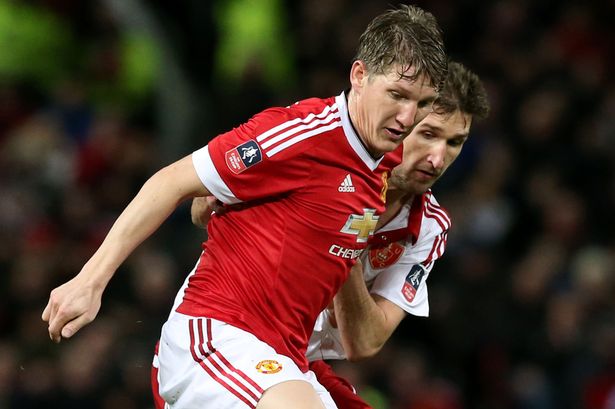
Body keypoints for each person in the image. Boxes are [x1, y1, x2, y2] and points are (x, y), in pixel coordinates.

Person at [42, 4, 447, 409]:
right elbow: (170, 182)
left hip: (283, 357)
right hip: (215, 335)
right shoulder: (303, 134)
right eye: (397, 95)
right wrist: (90, 280)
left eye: (424, 103)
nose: (408, 116)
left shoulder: (384, 163)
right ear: (359, 76)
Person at [179, 61, 490, 408]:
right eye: (429, 134)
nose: (437, 159)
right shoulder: (320, 151)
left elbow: (365, 343)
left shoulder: (428, 227)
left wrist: (347, 243)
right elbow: (200, 206)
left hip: (295, 361)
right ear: (402, 122)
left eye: (454, 143)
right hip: (223, 339)